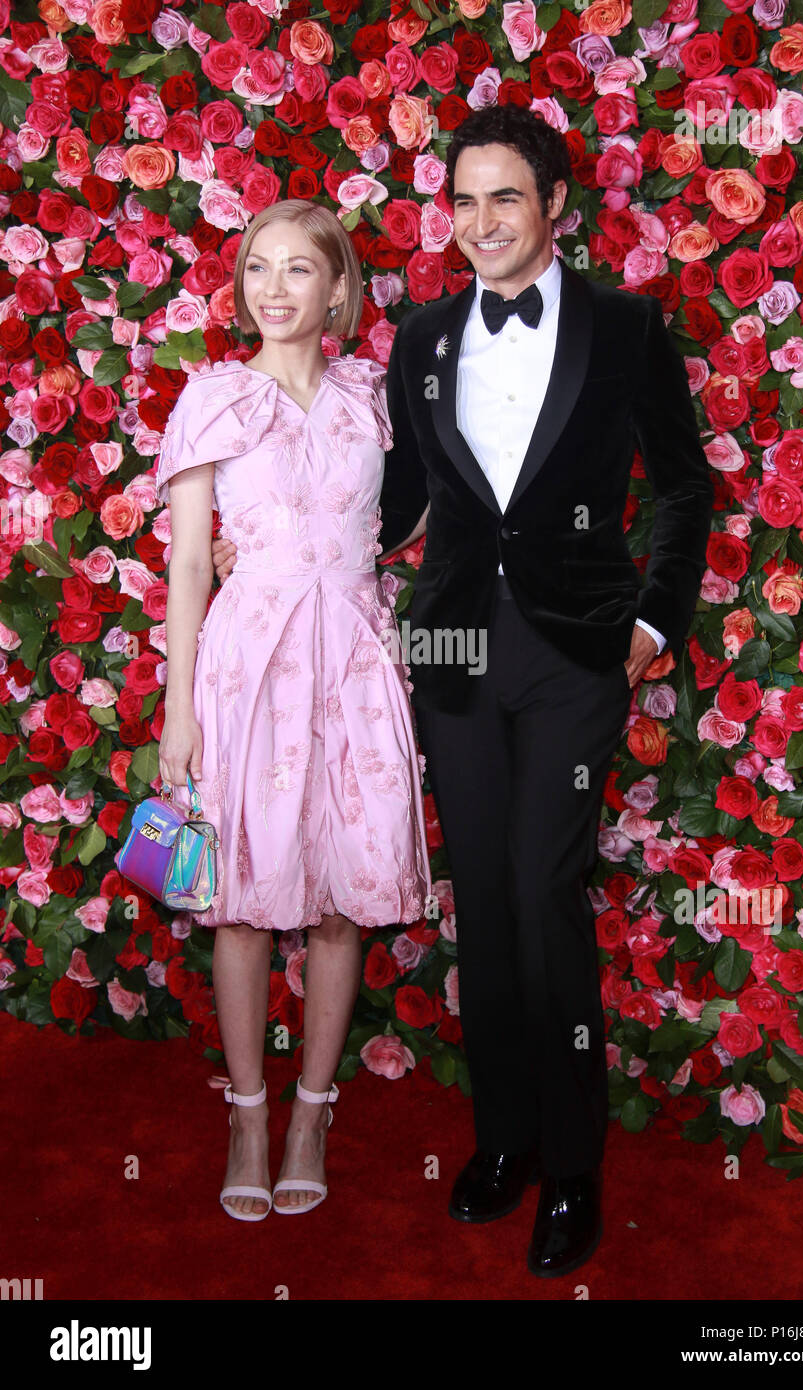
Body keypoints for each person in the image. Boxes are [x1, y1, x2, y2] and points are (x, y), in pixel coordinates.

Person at [214, 105, 713, 1275]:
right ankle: (503, 1144)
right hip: (445, 646)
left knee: (544, 890)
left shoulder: (628, 326)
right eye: (464, 200)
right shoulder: (423, 336)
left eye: (505, 197)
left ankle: (574, 1165)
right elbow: (395, 497)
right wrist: (268, 544)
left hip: (572, 646)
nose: (481, 221)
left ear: (553, 208)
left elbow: (681, 487)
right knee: (478, 896)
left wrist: (650, 620)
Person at [156, 200, 432, 1223]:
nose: (274, 288)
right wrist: (177, 712)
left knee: (334, 899)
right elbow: (189, 559)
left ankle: (314, 1110)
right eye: (258, 269)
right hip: (248, 666)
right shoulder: (213, 397)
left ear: (337, 291)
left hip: (353, 662)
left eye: (298, 271)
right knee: (236, 901)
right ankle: (248, 1115)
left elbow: (411, 518)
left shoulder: (375, 396)